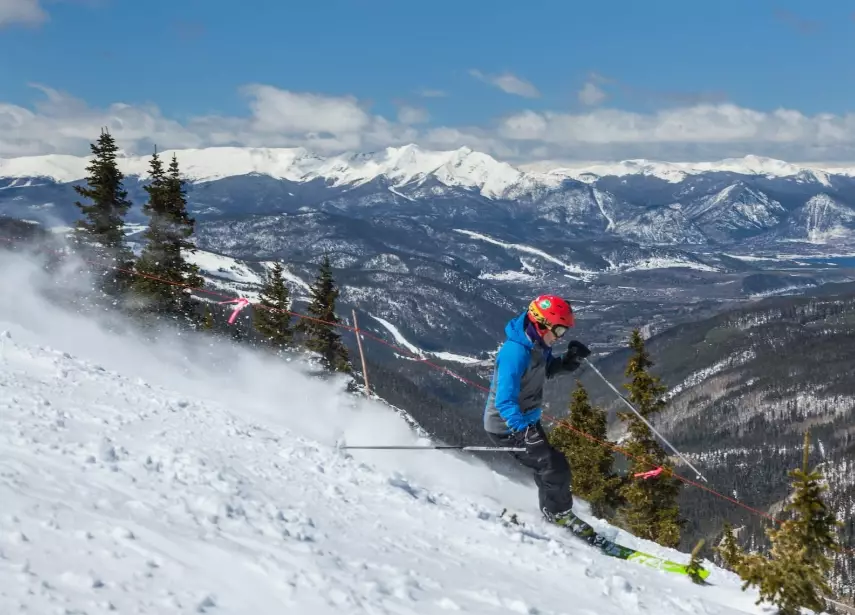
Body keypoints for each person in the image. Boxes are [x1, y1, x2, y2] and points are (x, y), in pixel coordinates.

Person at [483, 294, 591, 525]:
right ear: (542, 325)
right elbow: (504, 401)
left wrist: (568, 362)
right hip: (506, 426)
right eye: (560, 331)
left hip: (527, 422)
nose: (561, 337)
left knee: (550, 465)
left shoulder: (539, 344)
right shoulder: (515, 353)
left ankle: (553, 510)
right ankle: (557, 514)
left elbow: (546, 370)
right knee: (554, 467)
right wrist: (523, 431)